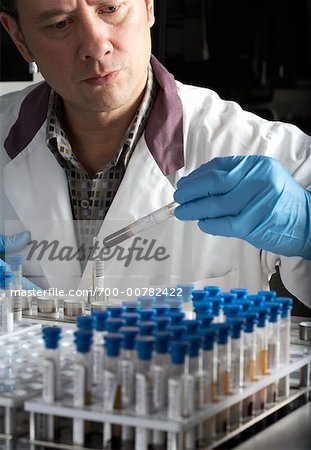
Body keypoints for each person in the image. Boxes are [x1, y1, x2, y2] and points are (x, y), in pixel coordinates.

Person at [0, 0, 310, 307]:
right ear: (19, 38)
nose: (96, 46)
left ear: (148, 6)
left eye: (110, 9)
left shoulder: (260, 147)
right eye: (60, 23)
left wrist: (306, 229)